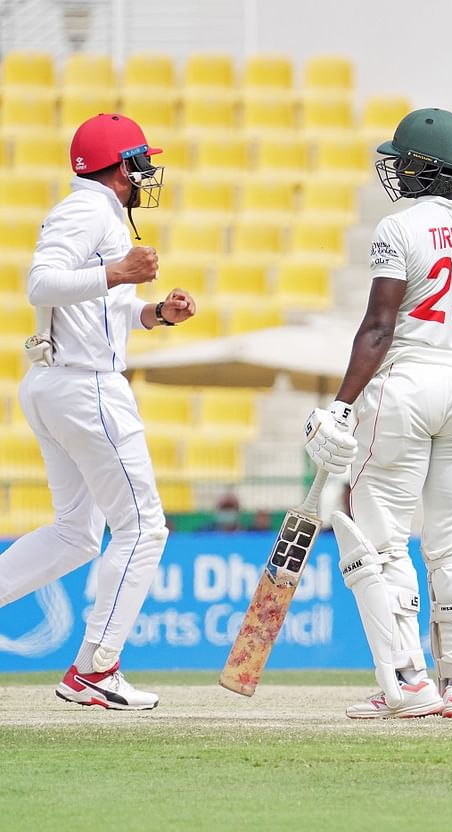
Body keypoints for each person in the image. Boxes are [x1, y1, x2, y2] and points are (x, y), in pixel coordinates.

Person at [301, 108, 452, 720]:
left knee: (382, 540)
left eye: (402, 161)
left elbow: (379, 326)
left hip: (406, 385)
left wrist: (341, 406)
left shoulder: (399, 227)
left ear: (425, 168)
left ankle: (407, 681)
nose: (395, 170)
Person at [0, 113, 196, 710]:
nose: (148, 174)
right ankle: (95, 670)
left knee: (77, 534)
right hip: (86, 387)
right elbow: (41, 284)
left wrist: (155, 313)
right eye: (142, 163)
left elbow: (99, 308)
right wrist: (119, 270)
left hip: (58, 383)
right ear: (121, 168)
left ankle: (94, 669)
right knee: (143, 528)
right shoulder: (89, 210)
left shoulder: (96, 212)